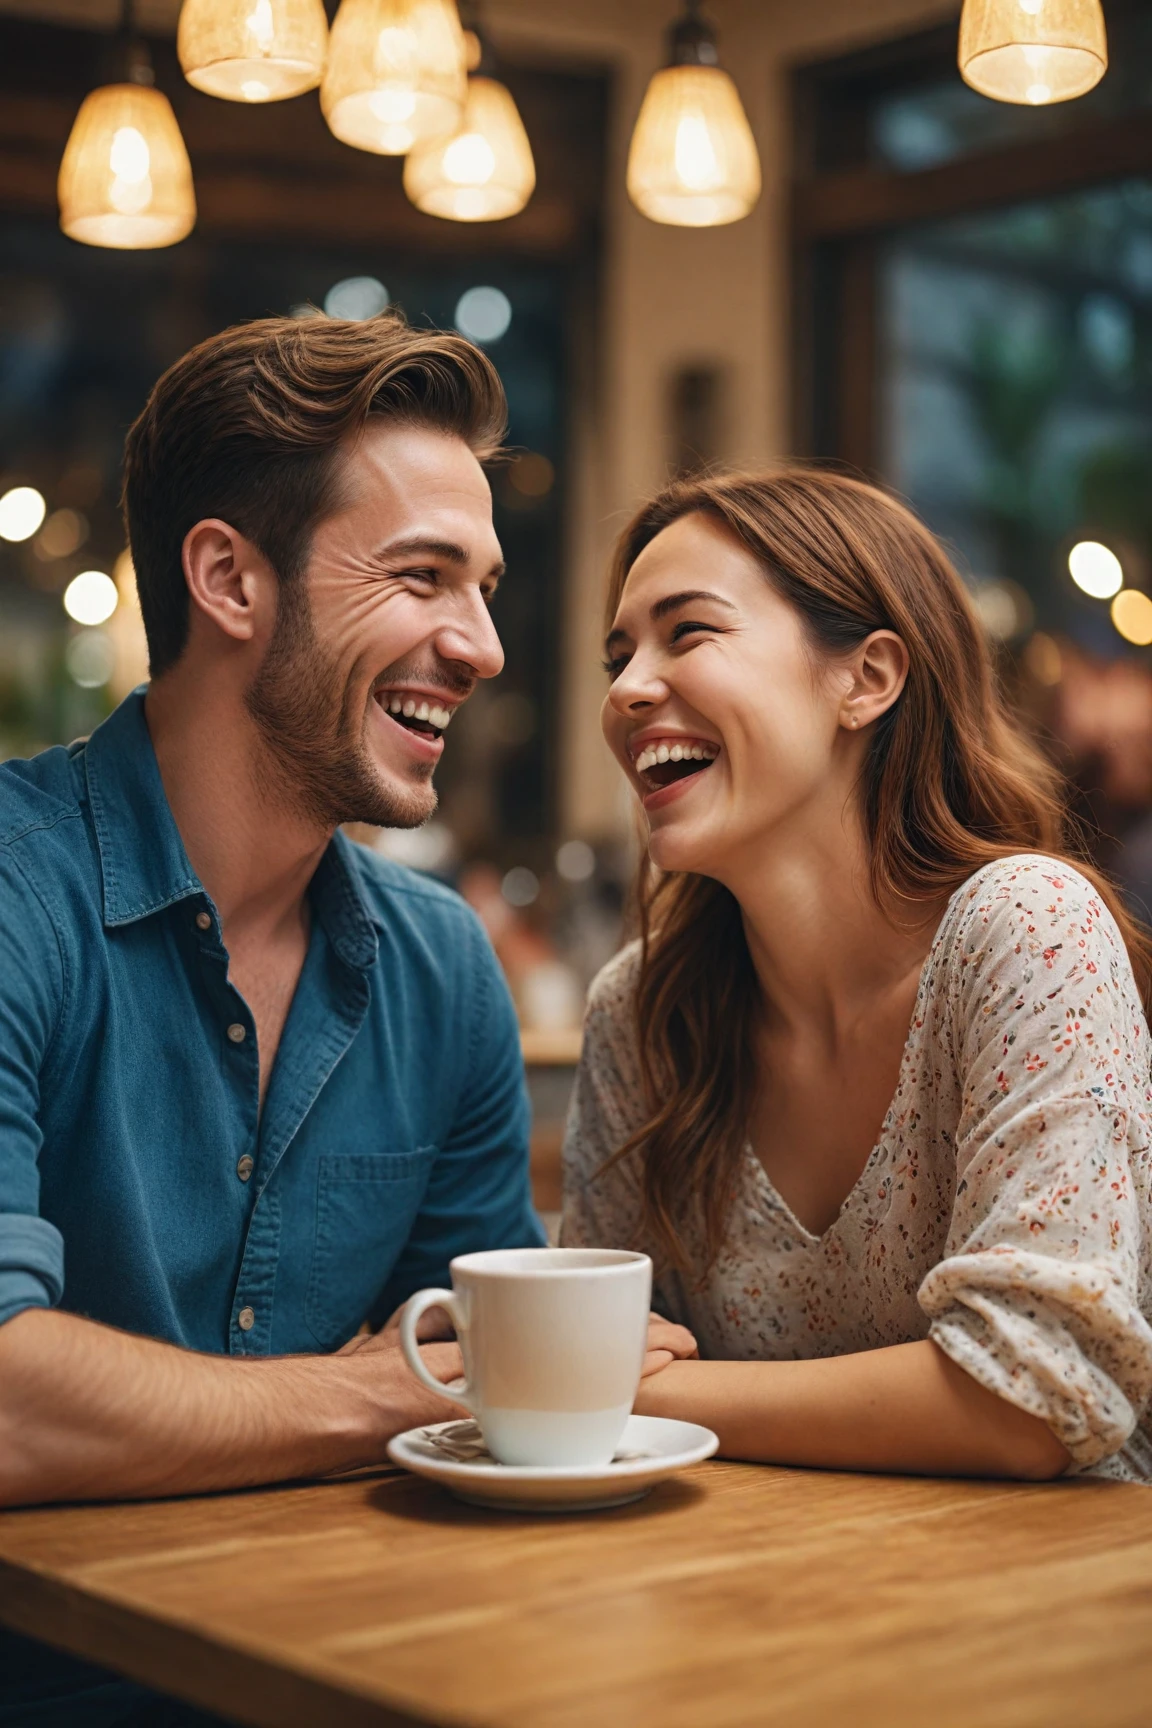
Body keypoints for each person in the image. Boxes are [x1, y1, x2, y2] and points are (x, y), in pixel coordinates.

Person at [0, 311, 552, 1724]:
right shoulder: (18, 892)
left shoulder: (443, 968)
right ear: (229, 579)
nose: (482, 645)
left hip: (357, 1680)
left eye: (485, 587)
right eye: (423, 577)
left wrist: (444, 1381)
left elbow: (509, 1388)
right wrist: (381, 1395)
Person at [562, 467, 1152, 1483]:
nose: (625, 690)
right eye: (618, 658)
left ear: (867, 679)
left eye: (688, 632)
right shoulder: (644, 1011)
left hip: (1046, 1611)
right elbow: (573, 1353)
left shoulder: (1025, 931)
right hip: (742, 1604)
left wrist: (640, 1392)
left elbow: (1032, 1401)